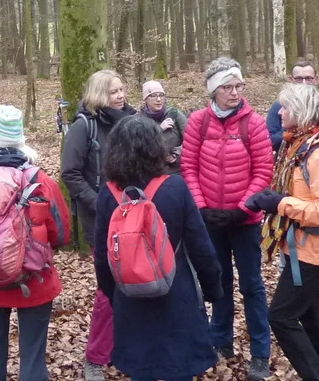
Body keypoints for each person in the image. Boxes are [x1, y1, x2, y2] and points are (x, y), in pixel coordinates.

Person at [93, 115, 224, 381]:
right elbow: (201, 247)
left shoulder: (109, 195)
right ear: (156, 148)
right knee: (178, 368)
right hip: (176, 293)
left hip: (129, 297)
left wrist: (115, 293)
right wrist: (213, 289)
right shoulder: (175, 188)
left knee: (141, 370)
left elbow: (102, 256)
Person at [246, 83, 319, 381]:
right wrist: (272, 200)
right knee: (308, 309)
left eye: (285, 108)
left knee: (281, 316)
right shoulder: (298, 146)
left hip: (313, 249)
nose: (280, 113)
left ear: (301, 112)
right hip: (299, 245)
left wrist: (280, 203)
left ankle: (317, 374)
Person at [181, 57, 273, 381]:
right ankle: (220, 341)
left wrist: (242, 209)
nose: (234, 93)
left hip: (244, 222)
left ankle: (261, 352)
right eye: (227, 87)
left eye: (238, 86)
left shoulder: (254, 123)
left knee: (252, 286)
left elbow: (264, 171)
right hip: (211, 221)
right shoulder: (197, 123)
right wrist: (202, 208)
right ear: (213, 90)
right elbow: (188, 168)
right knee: (218, 283)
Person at [0, 105, 70, 381]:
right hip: (34, 281)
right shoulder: (40, 181)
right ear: (21, 140)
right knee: (33, 359)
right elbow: (61, 234)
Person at [61, 69, 136, 381]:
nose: (119, 96)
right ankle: (96, 357)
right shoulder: (84, 126)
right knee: (109, 291)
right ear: (98, 95)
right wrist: (101, 205)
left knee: (137, 286)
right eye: (112, 91)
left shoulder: (133, 122)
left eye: (120, 90)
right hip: (102, 223)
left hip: (136, 217)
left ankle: (129, 349)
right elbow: (71, 173)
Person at [266, 59, 319, 151]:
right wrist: (293, 128)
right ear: (291, 80)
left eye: (308, 78)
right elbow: (270, 141)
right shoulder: (279, 106)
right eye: (299, 79)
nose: (304, 83)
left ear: (316, 79)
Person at [139, 79, 187, 148]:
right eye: (153, 95)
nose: (158, 99)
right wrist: (159, 129)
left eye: (161, 95)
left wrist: (177, 152)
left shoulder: (175, 113)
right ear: (145, 99)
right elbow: (140, 145)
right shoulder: (139, 119)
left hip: (178, 157)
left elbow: (190, 139)